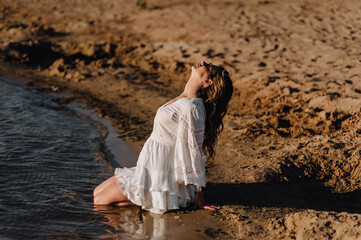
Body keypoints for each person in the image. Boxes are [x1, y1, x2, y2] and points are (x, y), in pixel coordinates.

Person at [93, 61, 233, 214]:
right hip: (152, 166)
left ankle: (170, 196)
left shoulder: (192, 108)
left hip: (163, 174)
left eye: (210, 67)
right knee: (97, 193)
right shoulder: (184, 98)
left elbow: (194, 150)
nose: (204, 62)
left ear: (207, 82)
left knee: (100, 201)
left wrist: (199, 193)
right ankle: (147, 199)